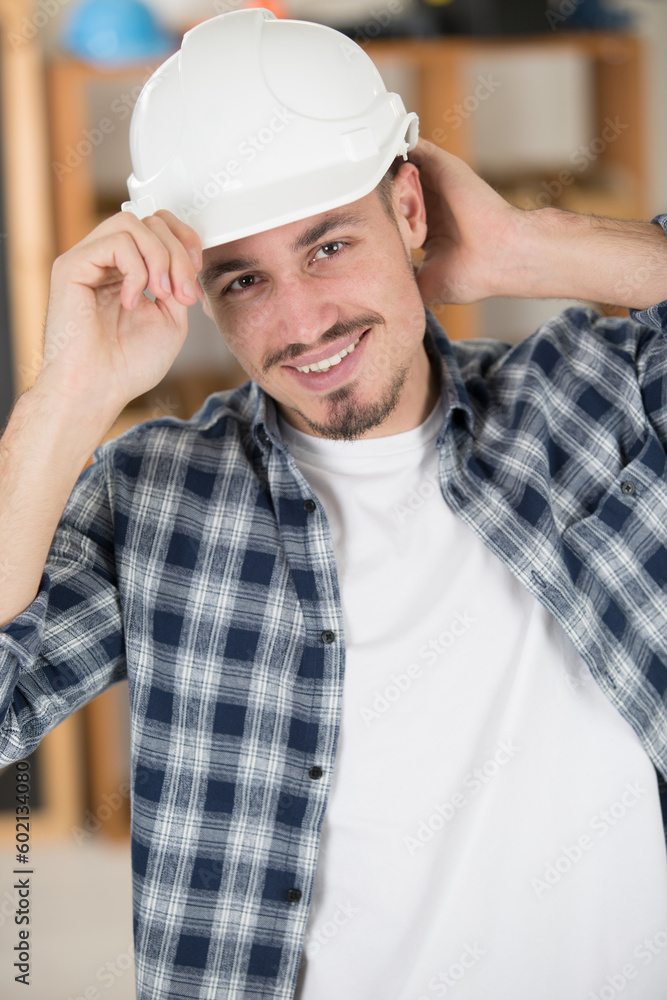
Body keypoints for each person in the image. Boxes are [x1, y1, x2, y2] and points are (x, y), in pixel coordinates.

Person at [1, 8, 667, 999]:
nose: (302, 323)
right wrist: (67, 394)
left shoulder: (590, 396)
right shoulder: (157, 496)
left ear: (408, 209)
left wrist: (530, 248)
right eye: (244, 278)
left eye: (326, 247)